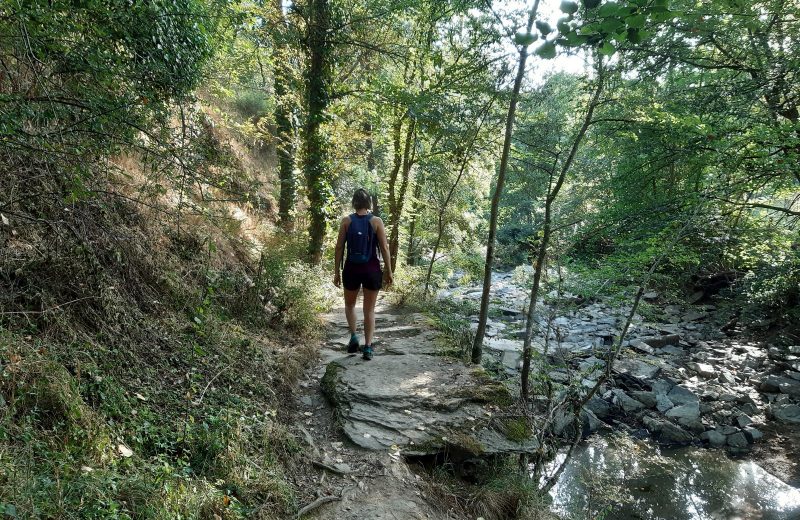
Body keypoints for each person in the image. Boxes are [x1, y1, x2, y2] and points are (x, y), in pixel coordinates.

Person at [333, 188, 393, 360]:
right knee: (369, 310)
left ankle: (353, 336)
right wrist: (389, 270)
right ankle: (367, 347)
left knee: (350, 305)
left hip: (351, 269)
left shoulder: (346, 221)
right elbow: (384, 247)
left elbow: (339, 247)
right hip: (371, 269)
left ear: (354, 202)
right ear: (369, 204)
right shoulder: (376, 221)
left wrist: (336, 271)